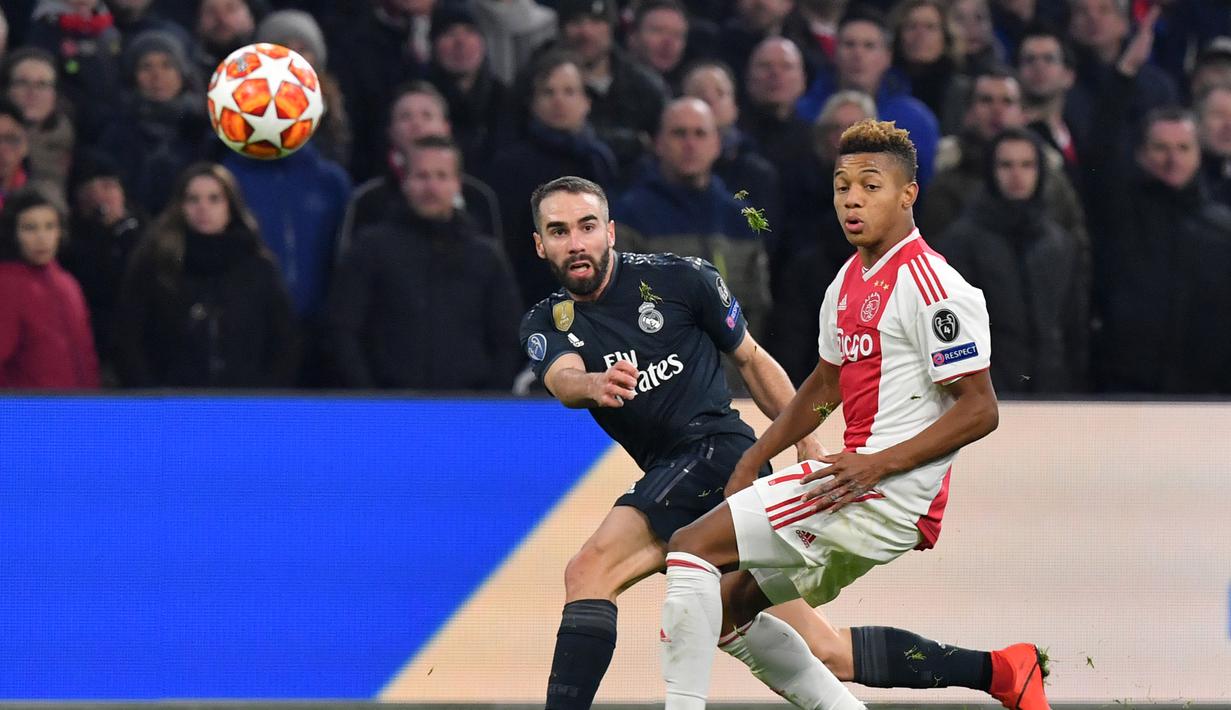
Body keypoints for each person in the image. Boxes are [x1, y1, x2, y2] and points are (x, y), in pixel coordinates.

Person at [523, 173, 1045, 710]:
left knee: (590, 571)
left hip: (715, 455)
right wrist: (592, 383)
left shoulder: (682, 279)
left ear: (610, 231)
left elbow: (750, 357)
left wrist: (805, 442)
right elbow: (563, 378)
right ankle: (1000, 670)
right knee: (820, 648)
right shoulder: (546, 322)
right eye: (559, 232)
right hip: (677, 473)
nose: (576, 242)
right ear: (541, 245)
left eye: (587, 226)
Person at [657, 120, 1049, 710]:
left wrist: (877, 466)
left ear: (908, 193)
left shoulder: (933, 283)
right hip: (857, 487)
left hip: (873, 491)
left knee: (688, 549)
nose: (852, 200)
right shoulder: (846, 282)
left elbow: (981, 408)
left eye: (870, 185)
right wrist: (758, 454)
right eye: (842, 187)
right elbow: (825, 385)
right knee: (729, 608)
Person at [325, 136, 521, 390]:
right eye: (422, 176)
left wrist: (488, 400)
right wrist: (370, 397)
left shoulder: (485, 256)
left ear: (457, 184)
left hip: (468, 408)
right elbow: (342, 329)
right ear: (404, 182)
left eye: (441, 176)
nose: (431, 187)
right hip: (388, 407)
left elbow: (508, 338)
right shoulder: (371, 248)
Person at [114, 162, 298, 388]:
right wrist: (153, 397)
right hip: (172, 406)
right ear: (180, 207)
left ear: (230, 207)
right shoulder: (156, 265)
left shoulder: (258, 268)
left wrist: (262, 396)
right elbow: (129, 341)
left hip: (245, 406)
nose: (203, 207)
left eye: (214, 199)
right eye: (193, 199)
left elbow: (284, 342)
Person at [935, 127, 1089, 393]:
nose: (1017, 174)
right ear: (991, 171)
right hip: (988, 391)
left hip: (1054, 390)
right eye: (1006, 165)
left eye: (1027, 165)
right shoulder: (961, 241)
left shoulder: (1060, 244)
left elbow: (1072, 324)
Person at [0, 187, 99, 389]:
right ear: (13, 234)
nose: (42, 238)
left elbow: (86, 354)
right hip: (28, 413)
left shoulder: (68, 283)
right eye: (30, 228)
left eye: (49, 226)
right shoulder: (7, 285)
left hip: (81, 408)